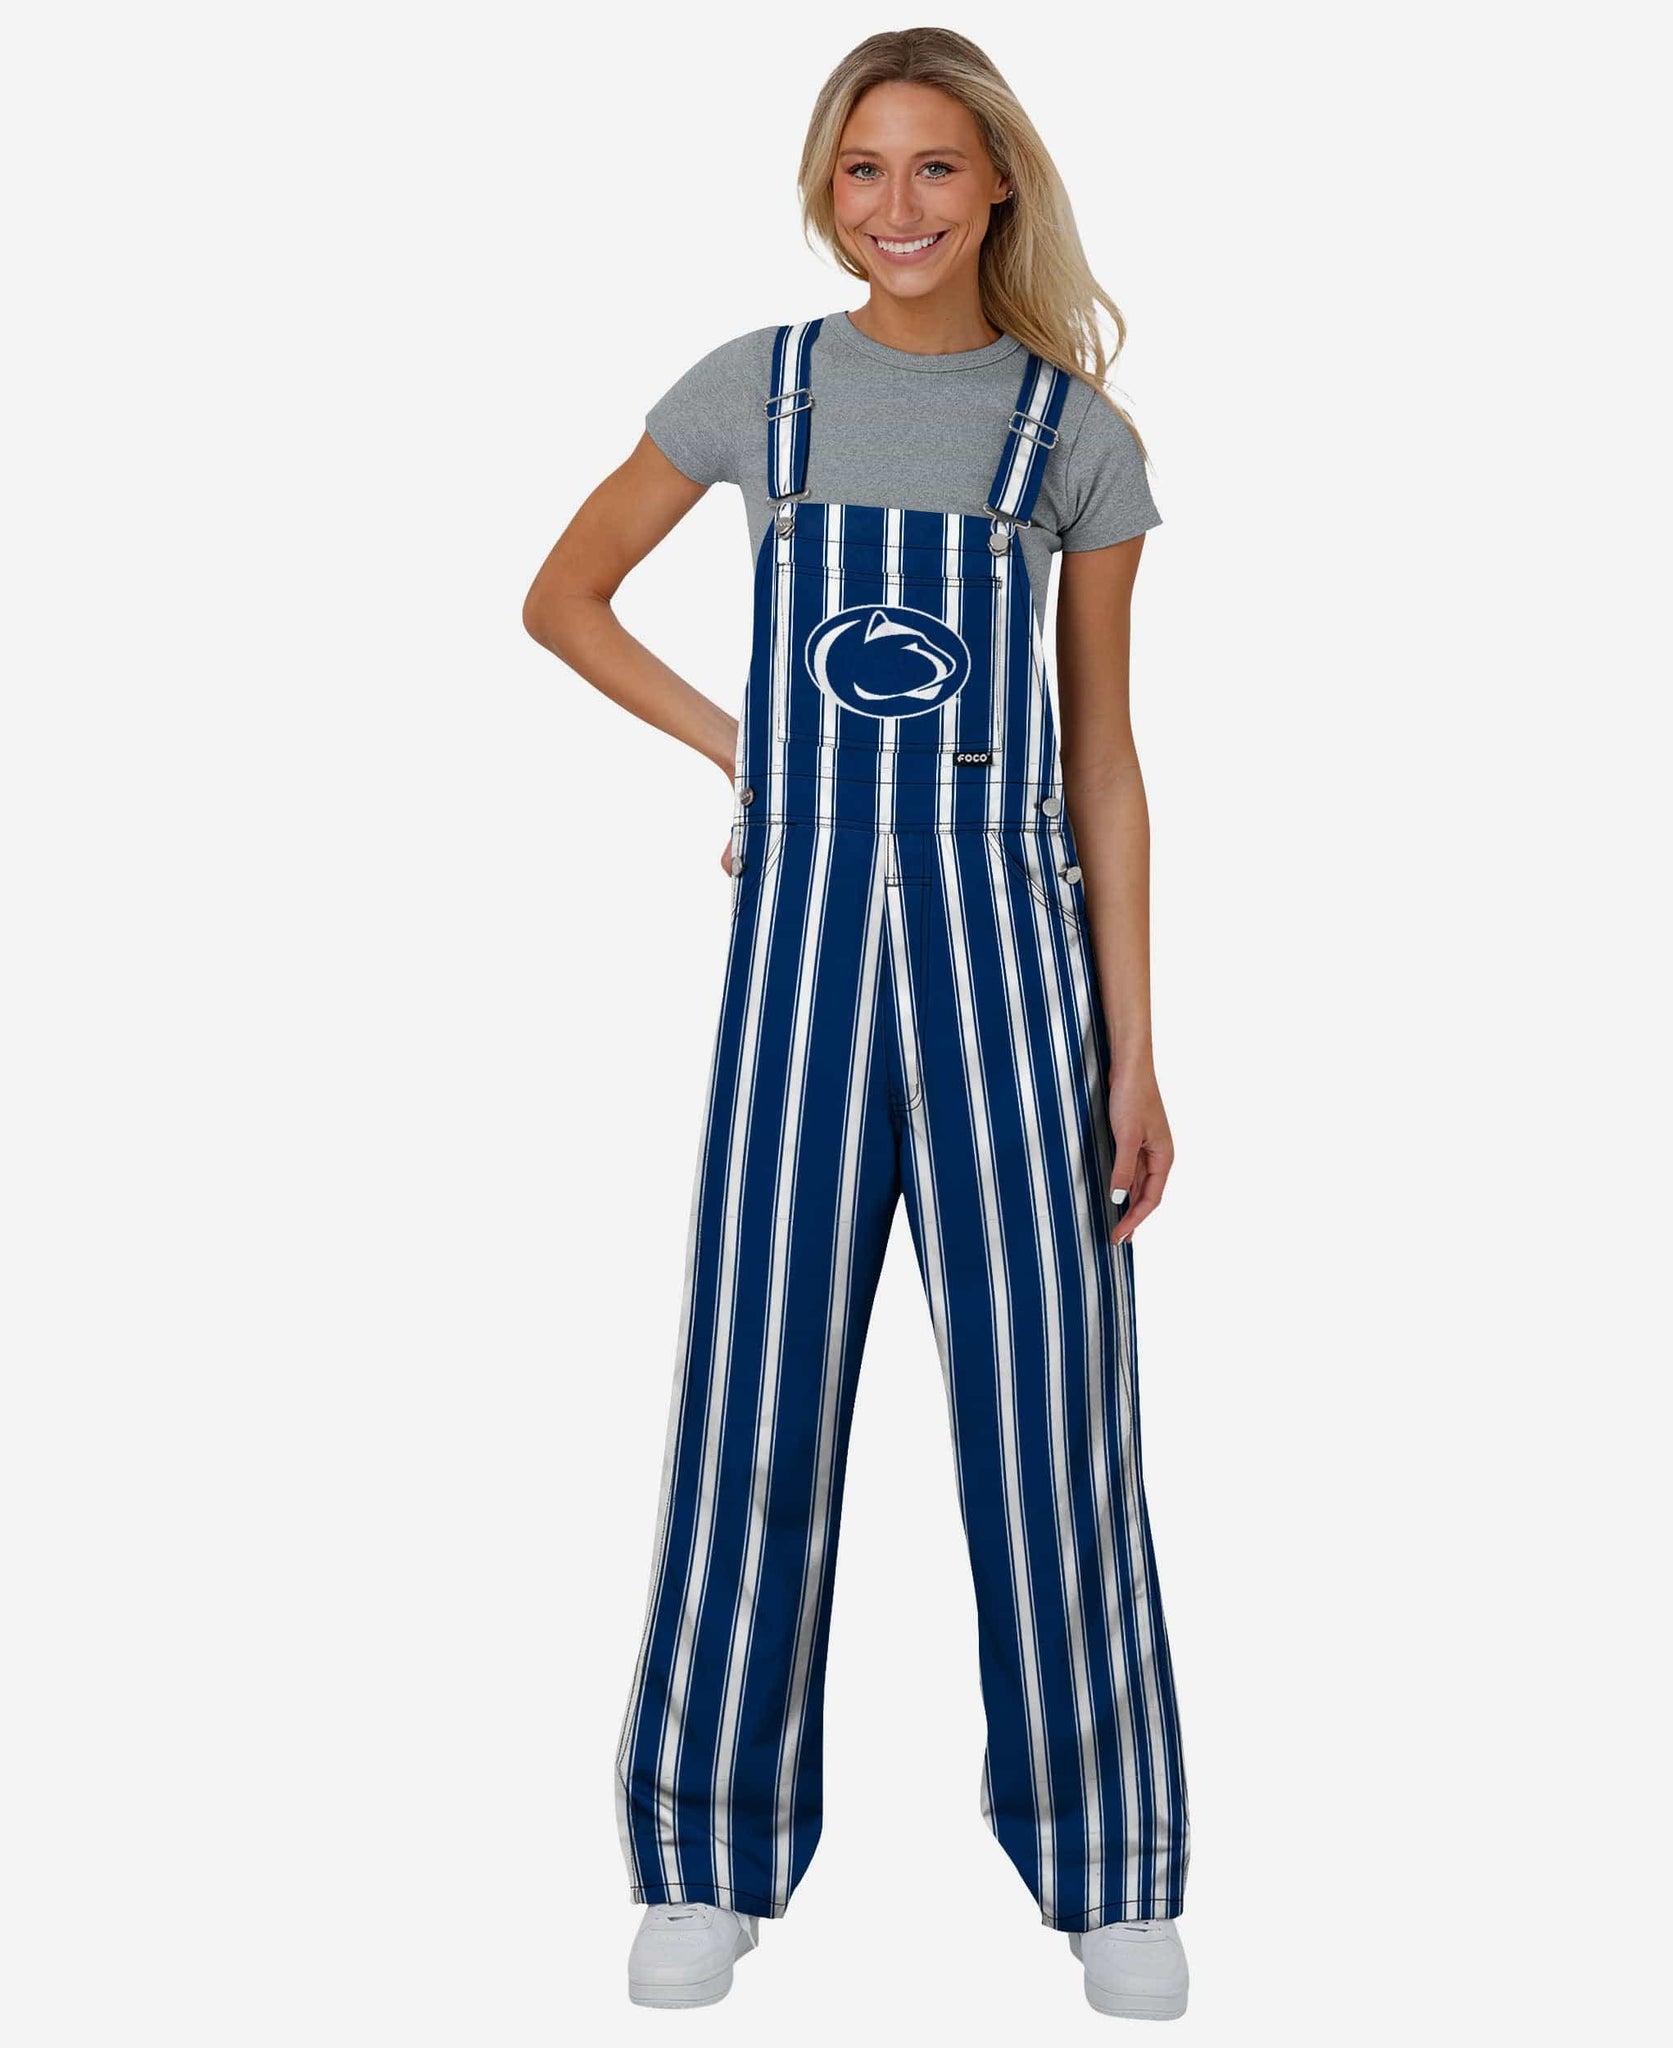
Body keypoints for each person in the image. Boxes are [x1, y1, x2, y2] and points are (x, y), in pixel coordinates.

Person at [524, 28, 1190, 2023]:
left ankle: (1108, 1866)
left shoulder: (1069, 434)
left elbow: (1105, 760)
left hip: (1012, 966)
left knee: (1052, 1419)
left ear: (998, 189)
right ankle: (704, 1856)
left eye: (933, 169)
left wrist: (1136, 1050)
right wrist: (746, 746)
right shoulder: (760, 389)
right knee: (758, 1395)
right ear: (829, 190)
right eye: (862, 169)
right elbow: (564, 596)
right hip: (802, 959)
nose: (895, 206)